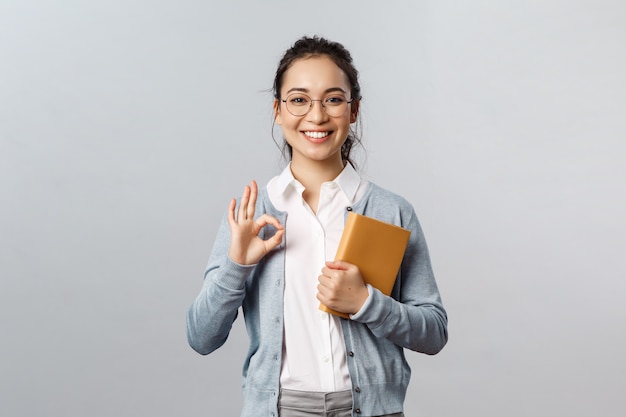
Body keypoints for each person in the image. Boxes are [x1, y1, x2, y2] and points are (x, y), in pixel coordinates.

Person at [187, 36, 448, 417]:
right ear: (277, 110)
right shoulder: (252, 214)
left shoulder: (390, 210)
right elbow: (201, 338)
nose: (317, 116)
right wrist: (236, 266)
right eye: (298, 99)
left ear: (354, 109)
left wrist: (366, 304)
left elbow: (434, 332)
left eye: (333, 99)